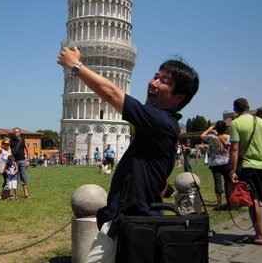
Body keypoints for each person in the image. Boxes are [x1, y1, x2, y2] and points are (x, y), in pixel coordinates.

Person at [58, 46, 199, 262]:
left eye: (163, 81)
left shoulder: (160, 122)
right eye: (155, 76)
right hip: (129, 221)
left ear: (178, 97)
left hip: (134, 223)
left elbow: (113, 93)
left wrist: (76, 66)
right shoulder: (160, 127)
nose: (153, 83)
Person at [228, 98, 262, 245]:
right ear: (248, 107)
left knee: (254, 200)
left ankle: (260, 235)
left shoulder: (235, 124)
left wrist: (232, 169)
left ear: (235, 110)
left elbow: (234, 149)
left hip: (247, 166)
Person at [200, 121, 230, 211]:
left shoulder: (212, 137)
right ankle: (230, 201)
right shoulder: (229, 137)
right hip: (227, 162)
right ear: (225, 128)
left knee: (218, 183)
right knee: (228, 182)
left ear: (216, 128)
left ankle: (219, 203)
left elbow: (201, 136)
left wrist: (209, 129)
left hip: (215, 163)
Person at [10, 128, 31, 198]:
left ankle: (26, 194)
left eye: (17, 132)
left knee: (23, 177)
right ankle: (16, 195)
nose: (16, 133)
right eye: (15, 132)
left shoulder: (23, 140)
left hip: (22, 161)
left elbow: (28, 150)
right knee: (14, 178)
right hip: (14, 162)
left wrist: (27, 160)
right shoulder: (11, 141)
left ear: (20, 133)